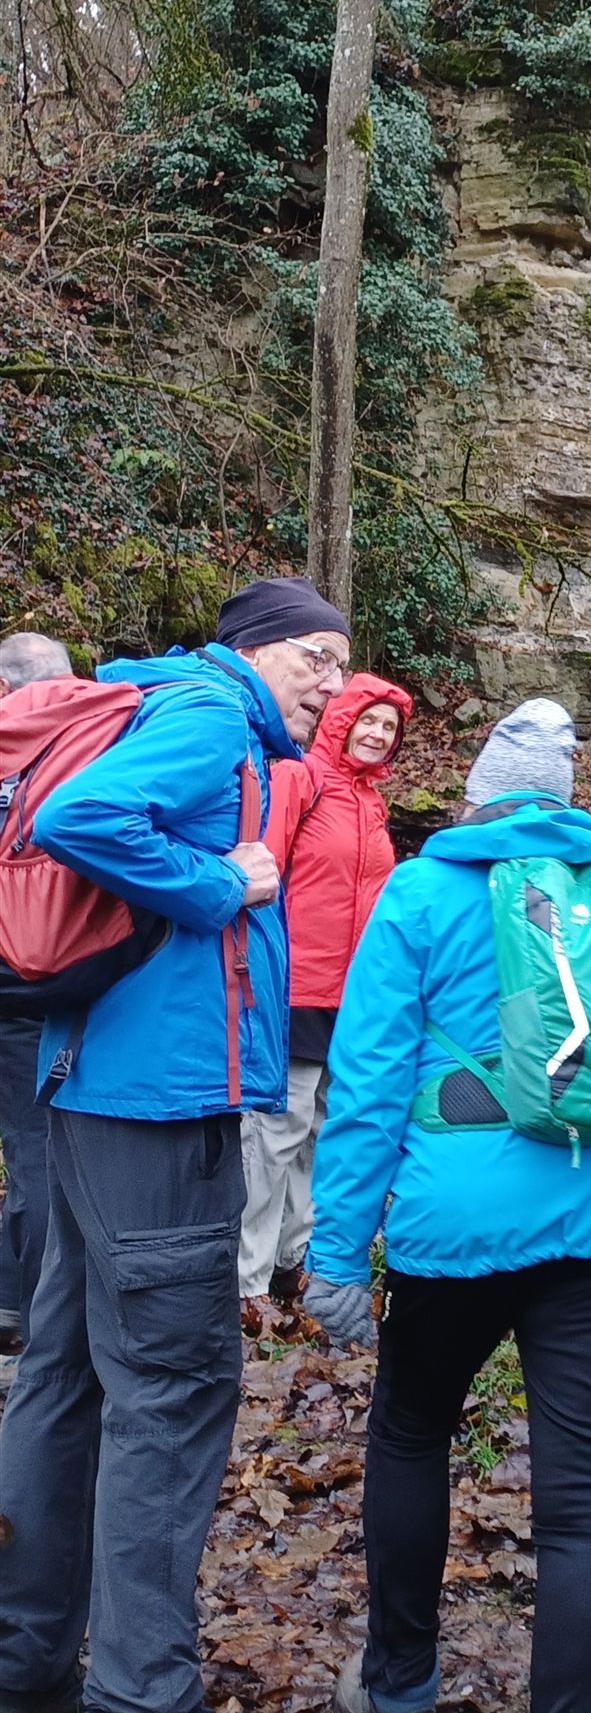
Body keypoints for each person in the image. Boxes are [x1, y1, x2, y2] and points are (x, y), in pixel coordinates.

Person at [302, 699, 591, 1713]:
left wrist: (338, 1251)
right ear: (564, 803)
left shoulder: (419, 892)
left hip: (456, 1224)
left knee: (410, 1434)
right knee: (582, 1501)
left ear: (477, 798)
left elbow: (367, 1084)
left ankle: (400, 1678)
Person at [0, 576, 349, 1713]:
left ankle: (26, 1661)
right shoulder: (207, 715)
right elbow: (79, 820)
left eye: (344, 665)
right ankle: (143, 1688)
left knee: (62, 1378)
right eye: (316, 657)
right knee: (174, 1386)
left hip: (92, 1089)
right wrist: (216, 884)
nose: (333, 683)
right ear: (254, 649)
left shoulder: (173, 707)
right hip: (157, 1108)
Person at [238, 672, 413, 1303]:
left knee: (322, 1131)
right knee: (274, 1133)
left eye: (390, 727)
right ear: (341, 719)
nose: (378, 734)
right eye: (369, 720)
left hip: (355, 996)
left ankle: (293, 1261)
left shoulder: (372, 803)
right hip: (296, 987)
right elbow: (261, 874)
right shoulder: (299, 778)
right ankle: (246, 1279)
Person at [0, 631, 74, 1377]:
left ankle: (11, 1301)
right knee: (37, 1151)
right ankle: (32, 1320)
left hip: (18, 982)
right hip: (48, 982)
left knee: (29, 1149)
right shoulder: (90, 749)